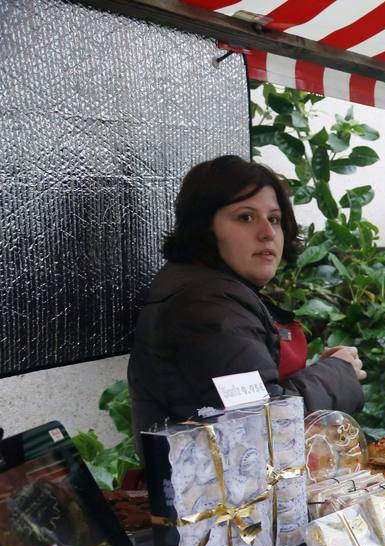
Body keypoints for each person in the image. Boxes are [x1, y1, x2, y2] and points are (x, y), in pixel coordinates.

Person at [128, 155, 365, 452]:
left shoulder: (214, 291)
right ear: (204, 227)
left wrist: (331, 371)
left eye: (274, 219)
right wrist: (338, 373)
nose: (267, 232)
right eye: (246, 217)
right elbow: (263, 421)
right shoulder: (205, 304)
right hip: (215, 494)